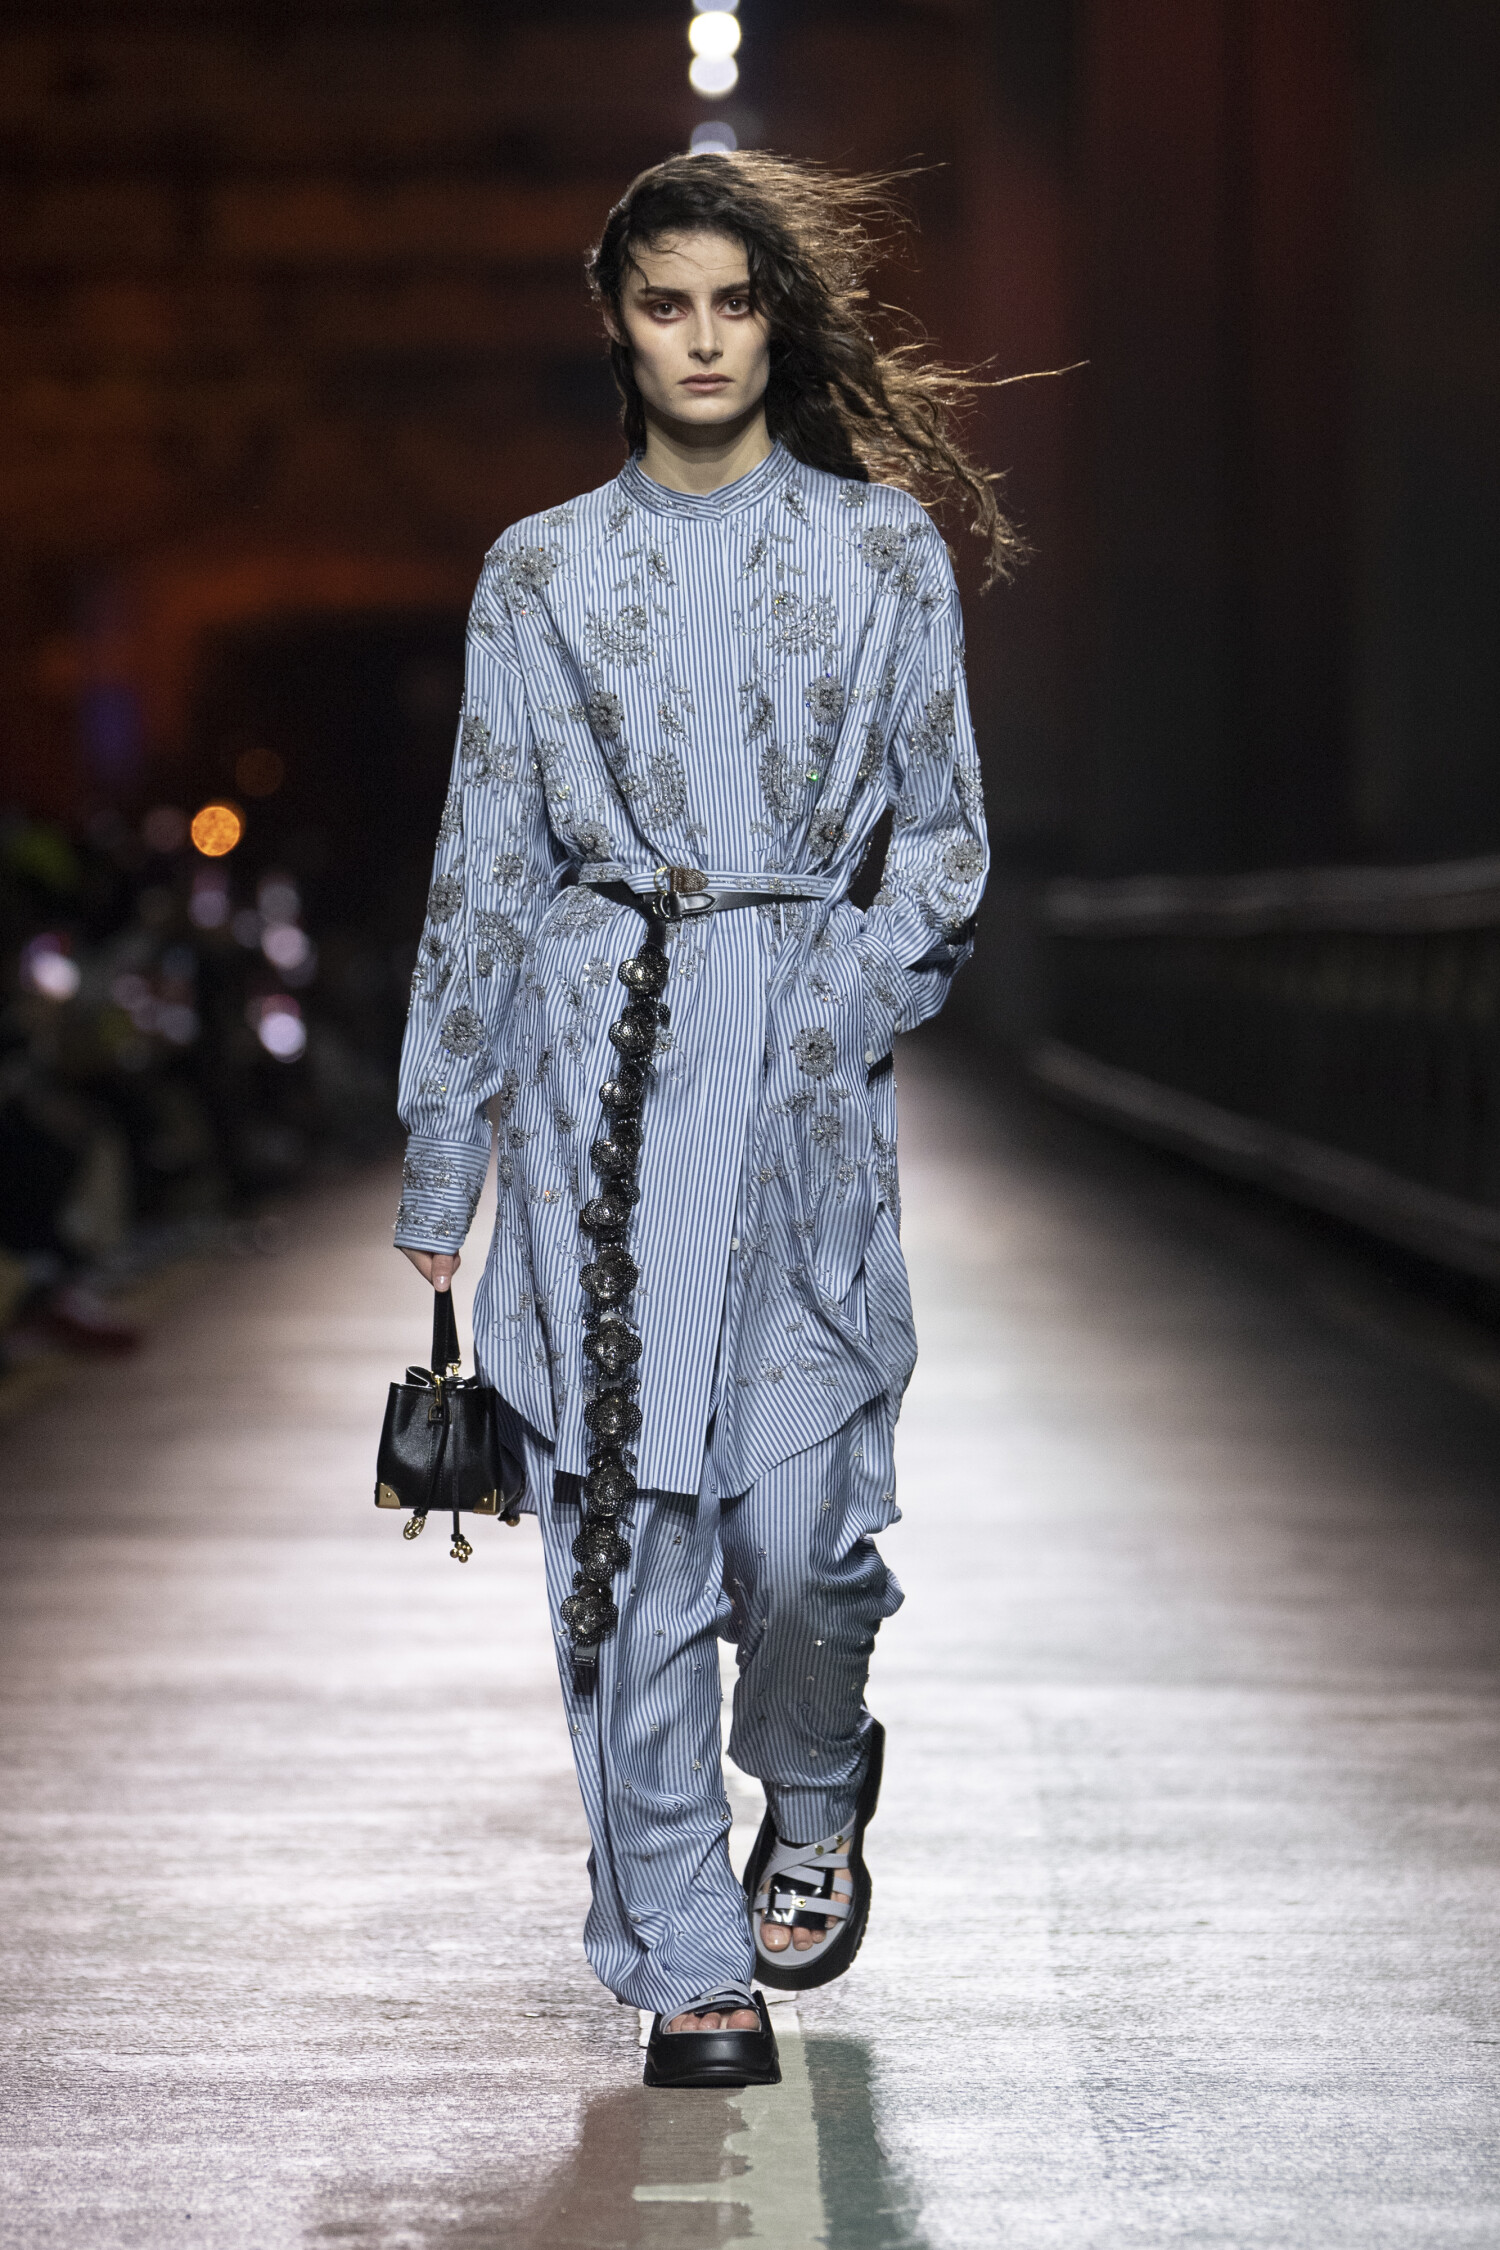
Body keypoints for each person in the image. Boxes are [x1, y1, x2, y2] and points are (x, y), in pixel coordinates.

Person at [393, 150, 1011, 2090]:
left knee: (805, 1531)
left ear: (774, 320)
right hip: (599, 1062)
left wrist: (850, 995)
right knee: (626, 1539)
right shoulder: (538, 571)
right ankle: (686, 1953)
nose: (704, 338)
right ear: (619, 324)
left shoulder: (883, 553)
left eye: (734, 302)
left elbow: (947, 837)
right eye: (666, 303)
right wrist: (448, 1139)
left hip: (801, 1072)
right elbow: (486, 860)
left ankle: (813, 1778)